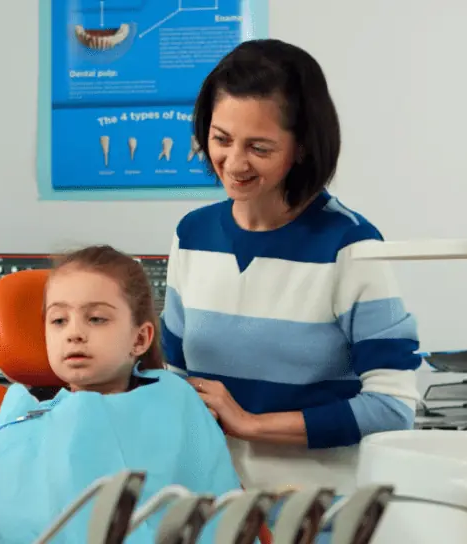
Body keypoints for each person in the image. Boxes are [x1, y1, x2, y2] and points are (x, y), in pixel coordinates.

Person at [161, 38, 423, 493]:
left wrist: (252, 424)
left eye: (259, 148)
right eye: (221, 139)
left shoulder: (350, 246)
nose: (234, 163)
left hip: (318, 510)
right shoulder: (192, 236)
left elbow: (393, 407)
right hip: (212, 503)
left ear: (301, 147)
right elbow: (174, 379)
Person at [0, 245, 242, 543]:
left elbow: (219, 518)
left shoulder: (175, 402)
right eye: (59, 320)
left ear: (140, 338)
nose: (74, 333)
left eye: (96, 319)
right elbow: (3, 514)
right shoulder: (20, 417)